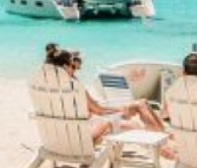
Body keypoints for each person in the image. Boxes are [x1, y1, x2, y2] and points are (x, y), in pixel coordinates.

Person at [42, 43, 170, 146]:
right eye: (74, 67)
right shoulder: (74, 86)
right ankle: (164, 140)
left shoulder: (45, 86)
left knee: (139, 108)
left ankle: (164, 136)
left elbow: (90, 109)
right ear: (65, 66)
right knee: (138, 113)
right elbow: (98, 110)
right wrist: (120, 109)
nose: (75, 71)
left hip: (61, 136)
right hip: (86, 136)